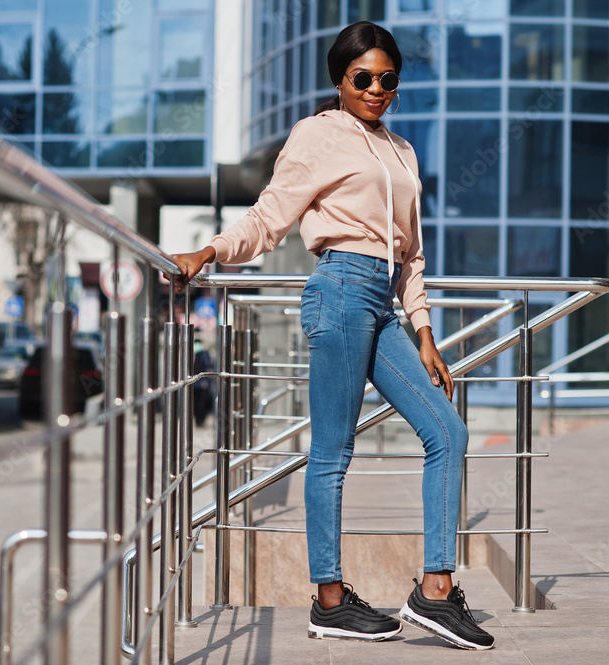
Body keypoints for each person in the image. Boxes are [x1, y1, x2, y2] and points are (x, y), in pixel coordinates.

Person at [171, 22, 494, 651]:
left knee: (447, 433)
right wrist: (210, 251)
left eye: (388, 79)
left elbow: (413, 255)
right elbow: (270, 217)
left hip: (385, 306)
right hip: (340, 292)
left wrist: (425, 330)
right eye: (362, 78)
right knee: (333, 453)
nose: (376, 89)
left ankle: (433, 593)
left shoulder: (403, 152)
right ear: (339, 80)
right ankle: (328, 598)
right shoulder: (317, 135)